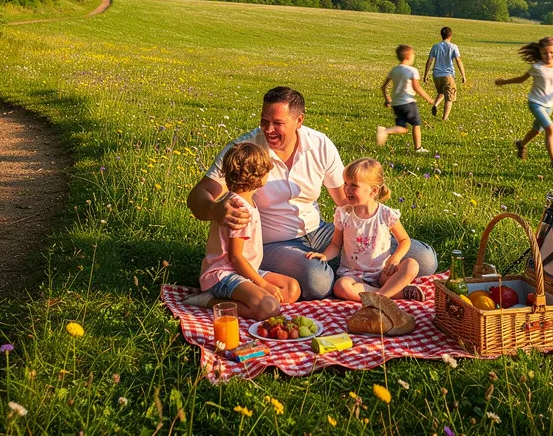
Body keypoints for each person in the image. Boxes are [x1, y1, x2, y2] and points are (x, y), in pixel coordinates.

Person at [186, 86, 438, 301]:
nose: (268, 129)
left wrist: (371, 222)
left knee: (424, 259)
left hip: (321, 232)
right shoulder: (247, 151)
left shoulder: (319, 144)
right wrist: (214, 209)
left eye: (277, 123)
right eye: (264, 121)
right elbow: (199, 195)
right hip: (276, 243)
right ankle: (362, 278)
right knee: (318, 280)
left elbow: (344, 198)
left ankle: (359, 275)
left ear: (299, 120)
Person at [198, 142, 301, 319]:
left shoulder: (245, 202)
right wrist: (263, 284)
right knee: (269, 308)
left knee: (292, 288)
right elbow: (235, 257)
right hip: (223, 274)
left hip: (243, 271)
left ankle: (246, 296)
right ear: (259, 177)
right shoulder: (239, 210)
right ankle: (208, 301)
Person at [307, 158, 424, 301]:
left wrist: (396, 257)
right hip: (352, 276)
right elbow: (336, 245)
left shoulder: (386, 214)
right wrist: (325, 256)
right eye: (345, 184)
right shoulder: (344, 214)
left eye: (354, 186)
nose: (347, 190)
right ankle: (391, 294)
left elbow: (404, 240)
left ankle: (379, 296)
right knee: (341, 287)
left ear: (373, 191)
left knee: (412, 265)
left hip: (382, 274)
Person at [494, 36, 553, 168]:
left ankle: (521, 144)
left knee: (536, 131)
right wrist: (503, 82)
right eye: (544, 53)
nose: (548, 55)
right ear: (540, 53)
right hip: (535, 102)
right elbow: (521, 79)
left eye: (551, 52)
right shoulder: (537, 67)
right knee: (550, 129)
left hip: (549, 105)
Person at [377, 44, 436, 153]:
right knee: (416, 124)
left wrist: (387, 99)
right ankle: (418, 148)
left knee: (402, 128)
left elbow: (384, 86)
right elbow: (416, 87)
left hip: (396, 104)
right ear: (408, 56)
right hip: (408, 103)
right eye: (413, 55)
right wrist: (429, 99)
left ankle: (386, 130)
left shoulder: (394, 70)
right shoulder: (412, 71)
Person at [424, 26, 467, 121]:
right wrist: (463, 75)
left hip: (436, 75)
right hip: (448, 75)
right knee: (449, 97)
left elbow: (430, 60)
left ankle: (435, 104)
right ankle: (445, 118)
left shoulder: (436, 46)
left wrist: (426, 75)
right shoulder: (453, 47)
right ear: (451, 35)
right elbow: (458, 61)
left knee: (442, 92)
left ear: (441, 35)